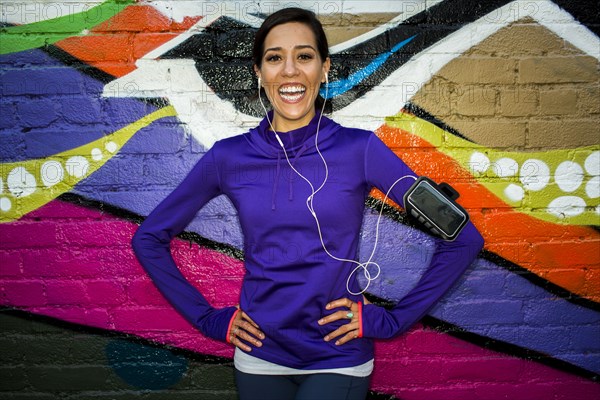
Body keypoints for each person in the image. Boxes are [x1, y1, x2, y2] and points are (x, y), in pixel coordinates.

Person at [132, 7, 484, 400]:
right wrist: (208, 319)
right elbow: (148, 239)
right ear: (259, 73)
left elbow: (463, 239)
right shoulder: (228, 158)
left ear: (324, 68)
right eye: (274, 58)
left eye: (304, 56)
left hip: (338, 357)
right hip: (258, 357)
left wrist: (393, 321)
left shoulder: (360, 150)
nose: (289, 71)